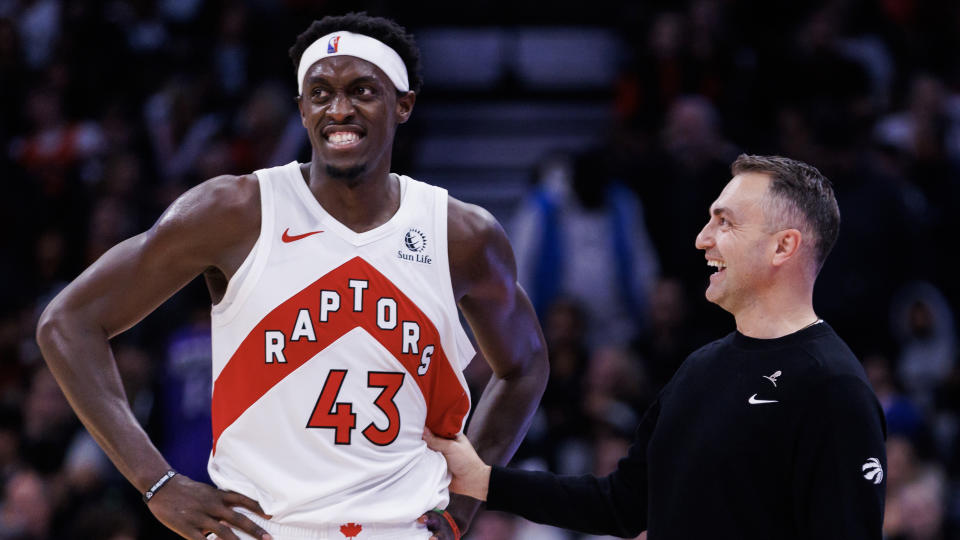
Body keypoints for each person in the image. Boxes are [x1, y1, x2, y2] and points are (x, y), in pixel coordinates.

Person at [36, 12, 548, 540]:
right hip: (259, 529)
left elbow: (526, 365)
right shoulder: (235, 211)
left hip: (401, 527)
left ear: (404, 104)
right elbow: (68, 321)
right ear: (302, 110)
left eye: (362, 90)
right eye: (320, 93)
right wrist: (156, 481)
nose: (339, 109)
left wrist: (464, 503)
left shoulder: (460, 235)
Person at [426, 154, 887, 539]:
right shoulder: (700, 367)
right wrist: (485, 480)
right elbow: (622, 504)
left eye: (724, 222)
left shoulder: (834, 386)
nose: (702, 238)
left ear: (784, 246)